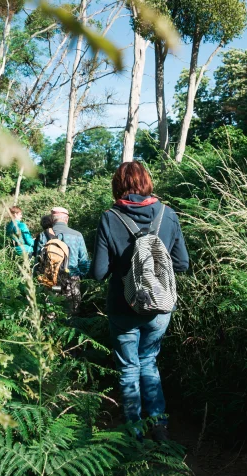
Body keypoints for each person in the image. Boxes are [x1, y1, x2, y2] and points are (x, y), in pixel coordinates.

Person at [91, 162, 189, 442]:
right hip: (160, 306)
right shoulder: (168, 214)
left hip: (123, 307)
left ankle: (134, 430)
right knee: (149, 362)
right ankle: (159, 425)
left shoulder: (110, 217)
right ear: (147, 182)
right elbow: (182, 264)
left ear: (117, 185)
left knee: (128, 366)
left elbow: (98, 272)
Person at [35, 207, 89, 313]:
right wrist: (81, 277)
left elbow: (38, 260)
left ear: (52, 219)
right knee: (72, 314)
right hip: (71, 279)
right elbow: (84, 261)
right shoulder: (77, 235)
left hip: (50, 279)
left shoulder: (43, 235)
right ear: (67, 219)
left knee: (50, 313)